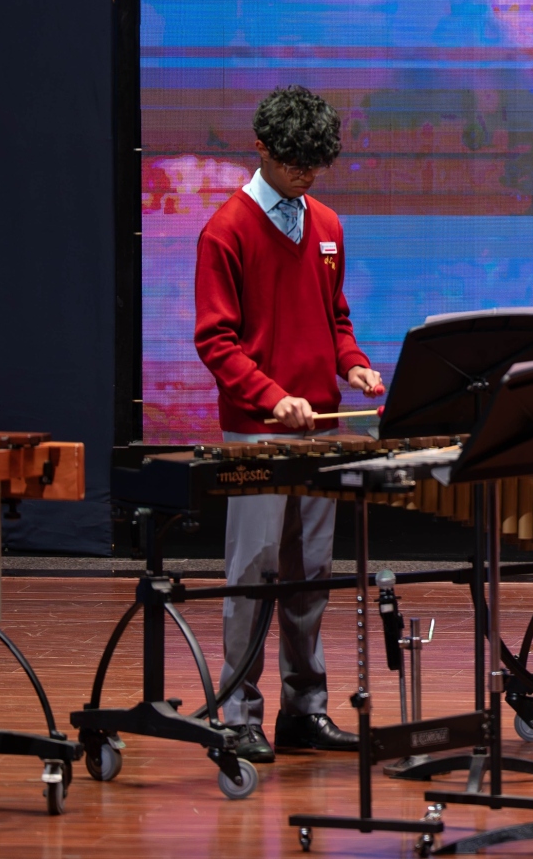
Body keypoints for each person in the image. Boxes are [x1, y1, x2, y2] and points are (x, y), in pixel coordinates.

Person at [194, 85, 387, 763]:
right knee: (253, 576)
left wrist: (353, 364)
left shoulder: (327, 224)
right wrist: (271, 397)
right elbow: (216, 342)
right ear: (262, 149)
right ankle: (238, 715)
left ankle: (304, 710)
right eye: (294, 164)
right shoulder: (226, 230)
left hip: (321, 430)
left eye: (316, 165)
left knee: (311, 576)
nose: (306, 176)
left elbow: (335, 318)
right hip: (259, 432)